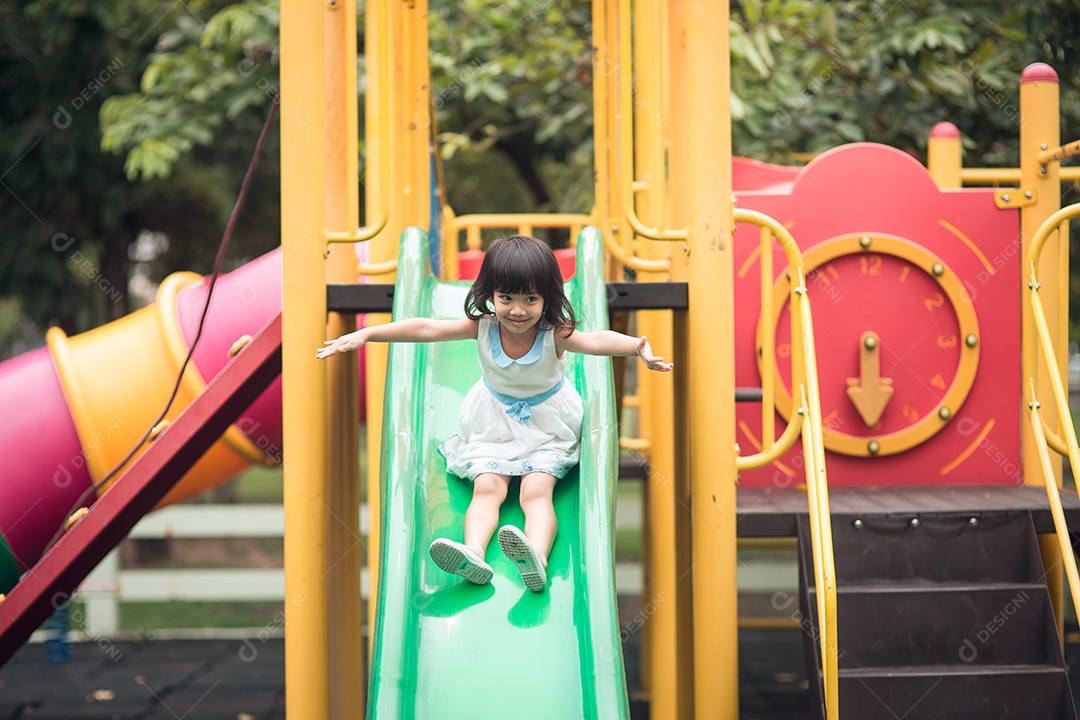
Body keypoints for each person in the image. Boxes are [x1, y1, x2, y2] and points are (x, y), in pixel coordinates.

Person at [317, 234, 672, 592]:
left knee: (536, 491)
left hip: (547, 425)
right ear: (490, 294)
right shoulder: (483, 328)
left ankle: (536, 555)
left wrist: (636, 347)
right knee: (486, 487)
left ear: (547, 298)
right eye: (507, 298)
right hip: (494, 422)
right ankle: (473, 554)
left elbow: (596, 341)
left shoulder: (554, 334)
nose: (518, 311)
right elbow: (427, 328)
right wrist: (368, 334)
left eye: (530, 299)